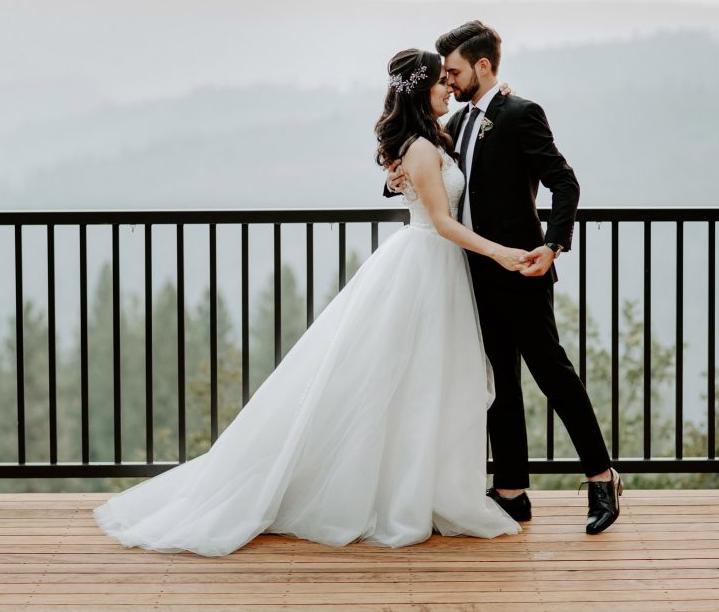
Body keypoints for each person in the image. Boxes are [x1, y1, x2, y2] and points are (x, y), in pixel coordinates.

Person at [93, 47, 527, 556]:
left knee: (426, 382)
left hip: (435, 267)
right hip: (427, 264)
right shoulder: (422, 149)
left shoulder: (429, 142)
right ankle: (404, 495)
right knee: (415, 379)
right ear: (420, 91)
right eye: (440, 84)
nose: (448, 90)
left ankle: (421, 489)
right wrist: (500, 252)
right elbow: (442, 219)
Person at [385, 21, 623, 534]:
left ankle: (602, 479)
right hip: (470, 273)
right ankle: (512, 490)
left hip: (521, 268)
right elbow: (430, 179)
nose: (447, 82)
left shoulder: (520, 113)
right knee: (499, 383)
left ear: (484, 66)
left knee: (553, 375)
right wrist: (395, 176)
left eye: (455, 71)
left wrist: (553, 245)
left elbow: (564, 182)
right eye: (443, 75)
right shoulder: (456, 123)